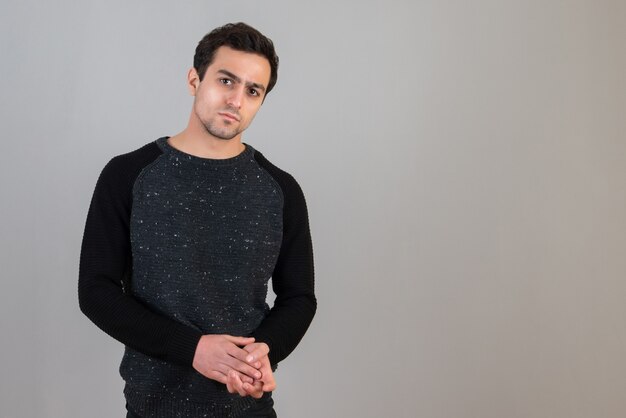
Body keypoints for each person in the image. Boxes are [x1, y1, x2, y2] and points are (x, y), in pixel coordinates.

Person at [78, 22, 316, 418]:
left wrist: (264, 350)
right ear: (194, 79)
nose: (236, 100)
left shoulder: (281, 189)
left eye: (252, 91)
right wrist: (193, 349)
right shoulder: (128, 175)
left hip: (248, 407)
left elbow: (299, 298)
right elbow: (96, 291)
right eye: (226, 80)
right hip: (152, 407)